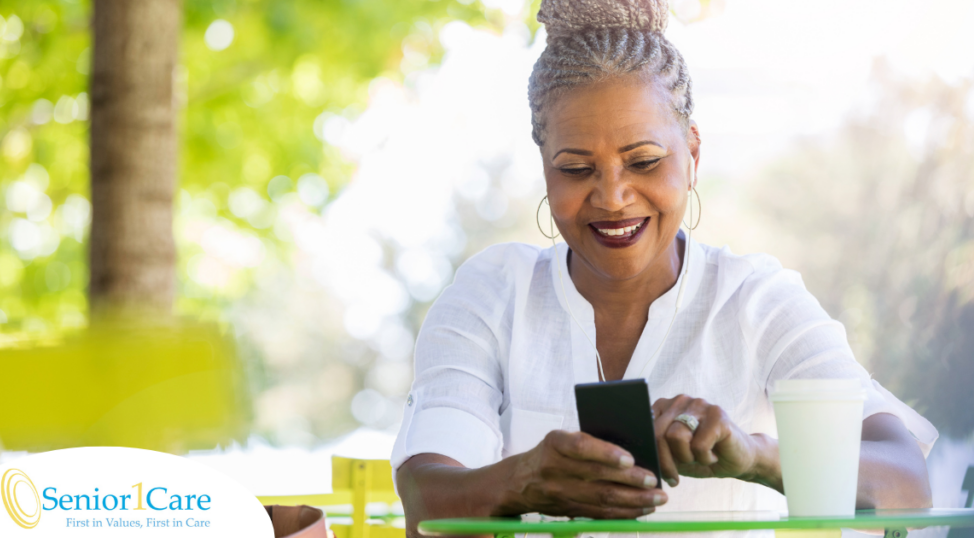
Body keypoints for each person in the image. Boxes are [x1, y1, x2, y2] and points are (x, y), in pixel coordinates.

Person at [392, 0, 938, 536]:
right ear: (545, 169)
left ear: (693, 155)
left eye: (644, 161)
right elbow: (425, 496)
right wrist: (525, 478)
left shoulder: (755, 299)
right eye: (576, 168)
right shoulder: (494, 293)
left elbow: (907, 483)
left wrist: (755, 456)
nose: (612, 197)